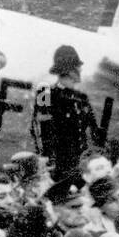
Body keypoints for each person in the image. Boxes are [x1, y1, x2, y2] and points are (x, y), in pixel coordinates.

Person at [33, 45, 103, 182]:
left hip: (82, 166)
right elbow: (40, 131)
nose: (80, 70)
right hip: (57, 167)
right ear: (69, 70)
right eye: (77, 66)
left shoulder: (82, 98)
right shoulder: (45, 93)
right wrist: (48, 161)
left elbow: (93, 131)